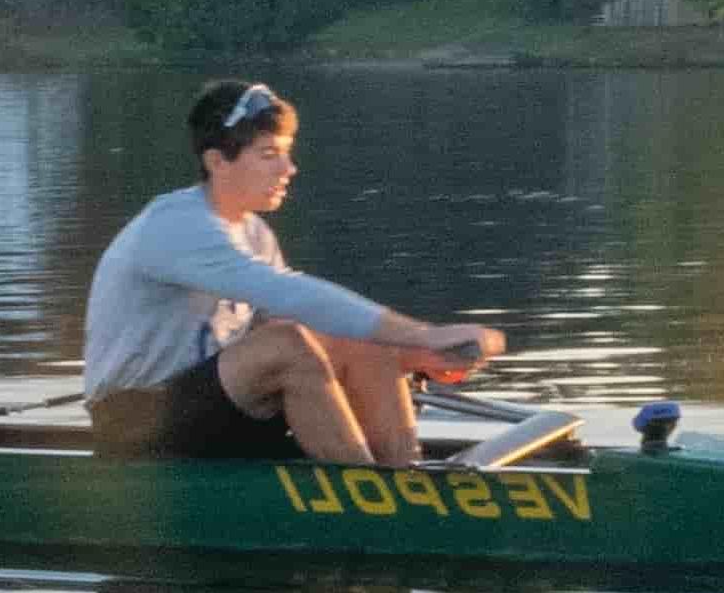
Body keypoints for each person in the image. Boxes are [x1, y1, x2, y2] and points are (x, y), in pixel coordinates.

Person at [80, 79, 495, 466]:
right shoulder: (175, 226)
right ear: (217, 162)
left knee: (366, 342)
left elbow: (297, 325)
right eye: (268, 155)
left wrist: (414, 354)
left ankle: (403, 480)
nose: (288, 169)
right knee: (289, 343)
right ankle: (365, 500)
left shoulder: (254, 233)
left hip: (216, 412)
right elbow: (292, 300)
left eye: (286, 153)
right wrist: (422, 333)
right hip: (134, 425)